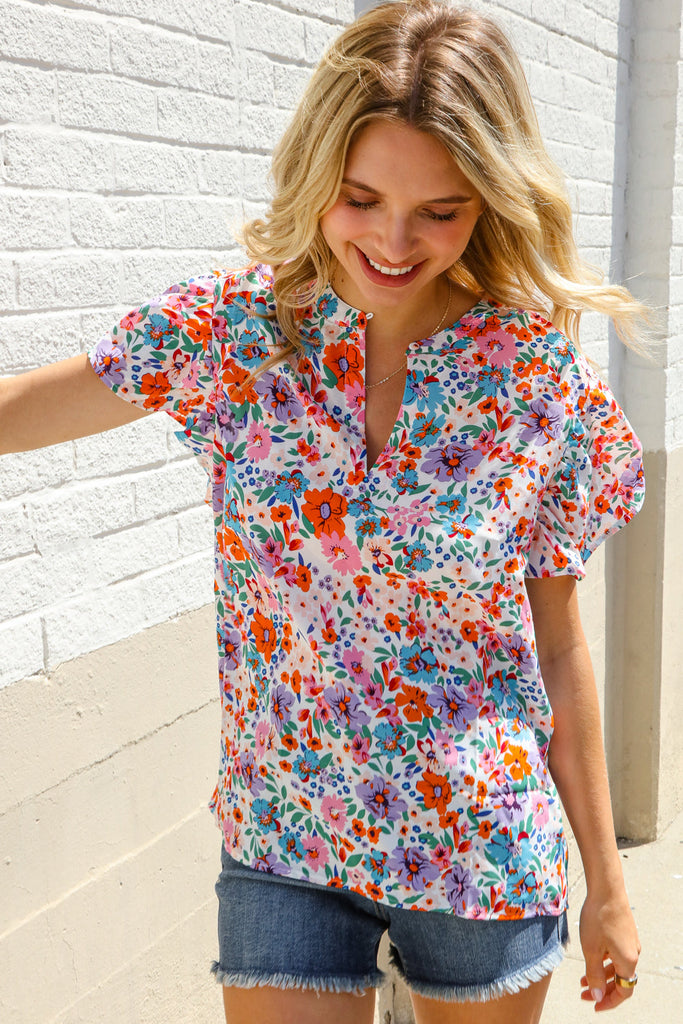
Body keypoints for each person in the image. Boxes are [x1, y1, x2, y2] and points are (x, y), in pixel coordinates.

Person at [0, 1, 646, 1022]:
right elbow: (19, 412)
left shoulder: (533, 379)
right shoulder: (235, 334)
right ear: (316, 176)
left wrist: (605, 883)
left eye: (439, 210)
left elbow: (556, 647)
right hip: (284, 835)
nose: (391, 241)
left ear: (487, 200)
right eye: (360, 197)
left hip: (476, 844)